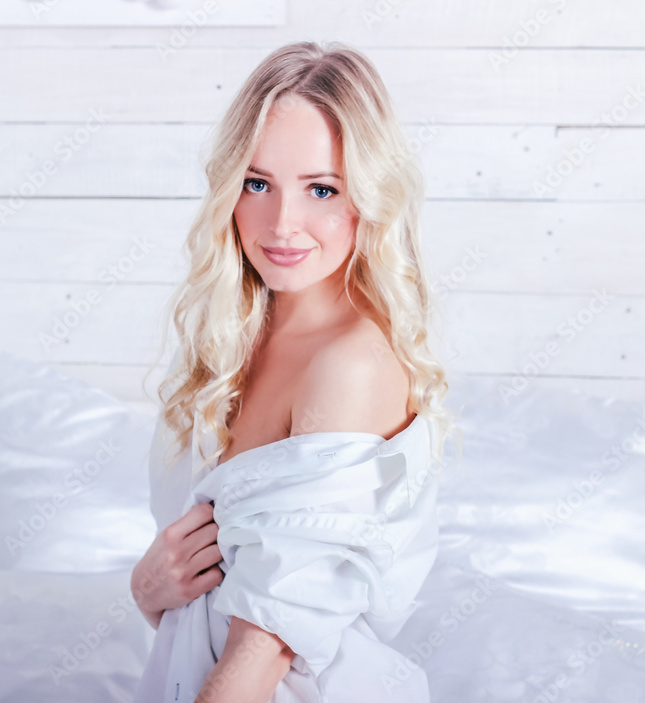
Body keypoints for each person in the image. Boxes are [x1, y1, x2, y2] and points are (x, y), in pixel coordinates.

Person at [130, 40, 459, 703]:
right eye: (258, 183)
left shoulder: (351, 363)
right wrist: (148, 591)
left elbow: (267, 646)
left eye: (321, 189)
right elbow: (212, 598)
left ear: (367, 196)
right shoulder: (231, 337)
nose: (282, 223)